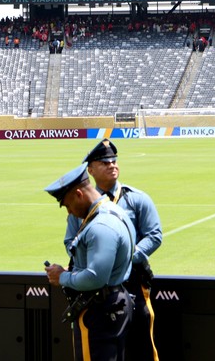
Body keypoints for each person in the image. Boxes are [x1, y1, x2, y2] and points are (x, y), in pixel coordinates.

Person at [65, 139, 163, 361]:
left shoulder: (137, 198)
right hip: (96, 289)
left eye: (114, 160)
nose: (112, 165)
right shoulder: (80, 205)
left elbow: (155, 235)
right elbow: (70, 241)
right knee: (106, 349)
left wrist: (124, 257)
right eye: (104, 162)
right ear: (90, 170)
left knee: (142, 345)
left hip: (134, 282)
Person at [45, 163, 135, 361]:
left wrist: (63, 277)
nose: (69, 212)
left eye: (68, 205)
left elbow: (95, 277)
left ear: (79, 194)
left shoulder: (100, 226)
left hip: (100, 310)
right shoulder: (113, 211)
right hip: (114, 302)